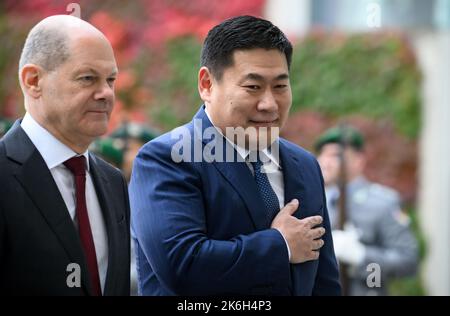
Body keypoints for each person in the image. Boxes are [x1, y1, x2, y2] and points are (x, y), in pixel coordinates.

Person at [129, 15, 341, 296]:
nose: (269, 104)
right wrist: (280, 245)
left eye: (280, 86)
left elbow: (324, 283)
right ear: (206, 84)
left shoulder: (303, 164)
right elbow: (183, 266)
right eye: (253, 87)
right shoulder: (167, 158)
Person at [0, 15, 130, 295]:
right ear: (33, 80)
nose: (106, 93)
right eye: (88, 78)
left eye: (111, 80)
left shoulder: (113, 182)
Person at [315, 125, 418, 296]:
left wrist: (362, 257)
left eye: (334, 155)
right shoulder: (314, 201)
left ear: (358, 161)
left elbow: (407, 262)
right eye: (322, 154)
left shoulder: (382, 203)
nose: (324, 162)